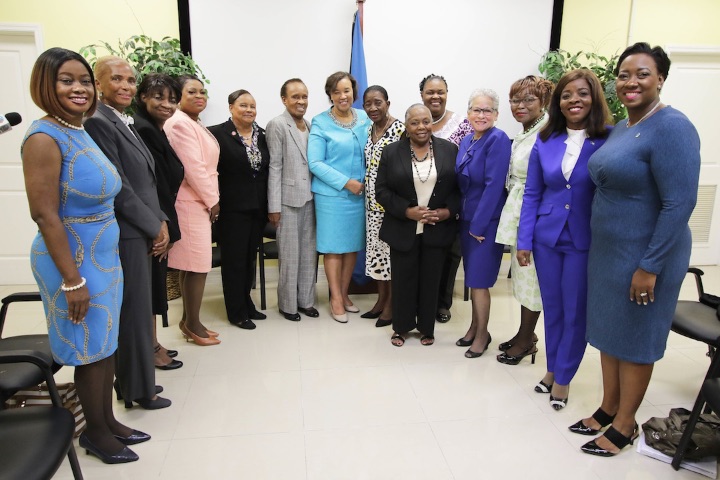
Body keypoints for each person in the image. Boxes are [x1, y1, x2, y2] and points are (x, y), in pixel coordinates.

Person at [574, 42, 700, 457]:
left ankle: (625, 425)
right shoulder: (626, 125)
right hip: (610, 252)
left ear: (661, 78)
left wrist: (649, 266)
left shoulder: (673, 127)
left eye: (642, 73)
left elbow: (679, 204)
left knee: (636, 339)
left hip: (646, 256)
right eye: (624, 74)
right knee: (611, 334)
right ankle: (609, 407)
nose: (631, 82)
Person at [23, 47, 145, 463]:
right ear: (46, 85)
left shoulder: (79, 128)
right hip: (71, 260)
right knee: (88, 346)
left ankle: (105, 419)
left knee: (104, 342)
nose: (79, 88)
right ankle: (94, 433)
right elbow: (44, 214)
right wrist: (72, 279)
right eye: (66, 80)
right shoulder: (43, 137)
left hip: (102, 256)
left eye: (84, 81)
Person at [516, 70, 611, 409]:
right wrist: (524, 240)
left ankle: (565, 378)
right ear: (558, 102)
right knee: (553, 309)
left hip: (585, 240)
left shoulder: (609, 138)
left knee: (575, 313)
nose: (574, 100)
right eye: (567, 95)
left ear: (594, 98)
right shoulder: (546, 138)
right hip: (546, 238)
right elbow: (532, 192)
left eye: (582, 94)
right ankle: (552, 369)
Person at [85, 56, 171, 410]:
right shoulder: (98, 122)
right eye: (116, 79)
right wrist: (154, 225)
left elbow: (146, 181)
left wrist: (161, 219)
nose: (125, 86)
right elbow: (118, 186)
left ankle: (138, 383)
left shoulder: (125, 120)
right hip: (129, 232)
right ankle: (138, 389)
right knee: (134, 312)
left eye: (130, 80)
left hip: (145, 226)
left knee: (139, 310)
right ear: (99, 84)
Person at [375, 104, 460, 346]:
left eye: (426, 121)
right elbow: (381, 191)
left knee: (431, 280)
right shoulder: (391, 152)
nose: (421, 127)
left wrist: (447, 212)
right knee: (403, 279)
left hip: (437, 228)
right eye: (415, 122)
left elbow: (459, 190)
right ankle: (401, 328)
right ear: (406, 126)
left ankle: (426, 328)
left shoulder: (449, 150)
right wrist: (406, 211)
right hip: (403, 228)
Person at [495, 76, 554, 371]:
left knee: (531, 279)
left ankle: (527, 339)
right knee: (522, 276)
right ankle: (523, 333)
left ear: (543, 101)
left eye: (528, 100)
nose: (520, 106)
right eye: (515, 100)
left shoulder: (548, 132)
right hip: (520, 210)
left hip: (536, 214)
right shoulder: (525, 131)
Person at [308, 71, 370, 323]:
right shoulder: (321, 122)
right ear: (330, 95)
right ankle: (335, 298)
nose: (343, 96)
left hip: (360, 196)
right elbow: (315, 162)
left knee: (351, 247)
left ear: (353, 92)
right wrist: (346, 183)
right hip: (332, 196)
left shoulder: (365, 117)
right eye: (336, 92)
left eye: (347, 90)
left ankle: (344, 294)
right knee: (333, 249)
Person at [163, 75, 221, 344]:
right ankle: (193, 325)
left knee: (192, 265)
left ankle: (189, 321)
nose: (199, 96)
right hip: (191, 202)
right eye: (192, 92)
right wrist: (213, 200)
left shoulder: (192, 122)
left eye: (202, 92)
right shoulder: (178, 124)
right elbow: (193, 168)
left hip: (197, 201)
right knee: (197, 266)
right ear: (178, 96)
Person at [454, 90, 511, 358]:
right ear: (468, 113)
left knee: (480, 281)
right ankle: (475, 327)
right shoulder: (467, 140)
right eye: (476, 110)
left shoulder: (497, 140)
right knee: (472, 279)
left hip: (484, 223)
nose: (481, 115)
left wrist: (478, 226)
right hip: (466, 220)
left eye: (487, 110)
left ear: (496, 115)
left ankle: (482, 335)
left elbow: (494, 186)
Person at [133, 73, 184, 370]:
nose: (167, 104)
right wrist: (160, 226)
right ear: (143, 98)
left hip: (160, 216)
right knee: (152, 288)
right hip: (155, 221)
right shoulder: (144, 129)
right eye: (159, 98)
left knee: (154, 285)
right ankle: (150, 348)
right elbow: (153, 184)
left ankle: (153, 342)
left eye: (172, 99)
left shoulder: (153, 126)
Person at [209, 90, 270, 330]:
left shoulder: (262, 135)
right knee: (234, 262)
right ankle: (236, 312)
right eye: (243, 105)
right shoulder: (215, 134)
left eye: (253, 106)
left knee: (248, 260)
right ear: (231, 107)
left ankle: (247, 304)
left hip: (257, 208)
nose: (249, 110)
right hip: (231, 210)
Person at [266, 79, 319, 322]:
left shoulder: (308, 124)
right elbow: (275, 166)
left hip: (310, 199)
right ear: (284, 100)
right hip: (286, 201)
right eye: (296, 97)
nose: (301, 101)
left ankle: (306, 301)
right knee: (289, 255)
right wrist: (273, 206)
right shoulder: (277, 124)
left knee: (308, 254)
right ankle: (288, 305)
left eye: (305, 96)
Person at [419, 74, 470, 324]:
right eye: (430, 92)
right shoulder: (416, 120)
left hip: (452, 202)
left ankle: (443, 303)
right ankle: (423, 300)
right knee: (423, 254)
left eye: (440, 91)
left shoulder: (462, 124)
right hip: (421, 204)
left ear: (447, 93)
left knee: (451, 254)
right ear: (422, 95)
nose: (435, 96)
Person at [361, 85, 405, 327]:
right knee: (377, 258)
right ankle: (381, 301)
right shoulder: (369, 130)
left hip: (391, 207)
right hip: (371, 207)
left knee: (390, 258)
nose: (373, 107)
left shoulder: (400, 130)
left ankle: (391, 306)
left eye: (378, 102)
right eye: (368, 103)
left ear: (388, 102)